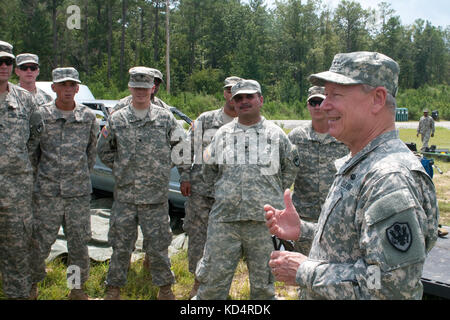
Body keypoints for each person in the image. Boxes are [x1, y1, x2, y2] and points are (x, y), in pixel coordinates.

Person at [265, 51, 439, 300]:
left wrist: (306, 272)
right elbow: (355, 244)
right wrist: (302, 230)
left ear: (377, 99)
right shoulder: (362, 163)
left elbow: (391, 285)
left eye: (336, 95)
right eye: (324, 95)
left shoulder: (388, 177)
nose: (324, 105)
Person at [194, 79, 299, 300]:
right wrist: (227, 193)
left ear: (260, 100)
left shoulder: (276, 134)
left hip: (264, 221)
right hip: (225, 220)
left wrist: (267, 194)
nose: (243, 102)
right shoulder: (222, 134)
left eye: (249, 97)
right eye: (238, 98)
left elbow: (290, 169)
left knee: (264, 287)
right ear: (233, 102)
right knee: (212, 285)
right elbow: (209, 171)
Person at [98, 67, 190, 300]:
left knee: (158, 247)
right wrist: (121, 167)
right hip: (125, 197)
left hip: (155, 197)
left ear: (152, 89)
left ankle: (165, 290)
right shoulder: (117, 119)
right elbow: (103, 150)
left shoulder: (165, 118)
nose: (140, 92)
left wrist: (176, 172)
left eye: (145, 88)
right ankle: (113, 289)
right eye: (136, 88)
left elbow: (181, 148)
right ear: (130, 89)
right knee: (120, 246)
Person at [29, 67, 99, 300]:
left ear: (77, 88)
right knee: (39, 243)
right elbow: (33, 153)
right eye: (63, 85)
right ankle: (32, 286)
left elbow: (91, 154)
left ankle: (76, 290)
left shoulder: (88, 117)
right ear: (54, 87)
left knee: (78, 245)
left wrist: (77, 178)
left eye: (72, 85)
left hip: (77, 194)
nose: (68, 90)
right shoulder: (41, 115)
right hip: (47, 193)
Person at [183, 76, 242, 298]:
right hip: (202, 192)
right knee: (198, 239)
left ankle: (220, 286)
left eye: (237, 92)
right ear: (225, 93)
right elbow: (186, 149)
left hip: (231, 195)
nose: (232, 95)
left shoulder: (249, 122)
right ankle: (198, 284)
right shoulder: (206, 120)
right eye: (229, 90)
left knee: (226, 241)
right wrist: (184, 177)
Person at [0, 40, 43, 300]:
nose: (3, 66)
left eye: (7, 62)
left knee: (17, 251)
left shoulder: (25, 100)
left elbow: (34, 138)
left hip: (16, 193)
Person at [288, 86, 349, 255]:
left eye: (320, 102)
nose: (317, 107)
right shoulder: (296, 137)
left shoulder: (343, 136)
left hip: (336, 218)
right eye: (312, 102)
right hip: (304, 217)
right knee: (303, 269)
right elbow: (285, 174)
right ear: (308, 106)